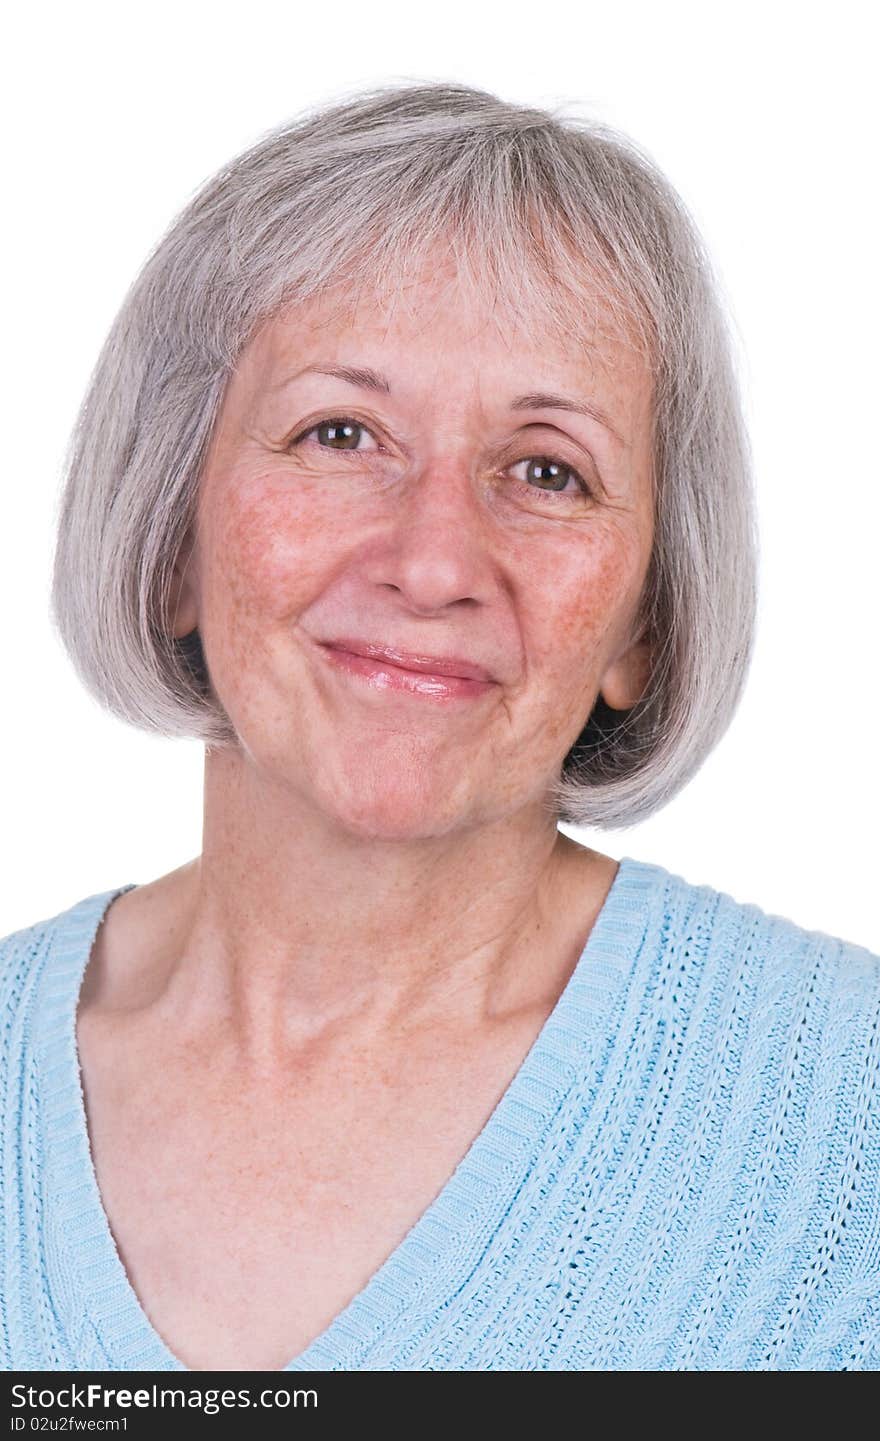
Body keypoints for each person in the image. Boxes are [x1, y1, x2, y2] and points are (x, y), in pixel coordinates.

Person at [1, 81, 877, 1374]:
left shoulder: (845, 1107)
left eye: (546, 469)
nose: (433, 560)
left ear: (645, 618)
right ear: (170, 535)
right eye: (340, 433)